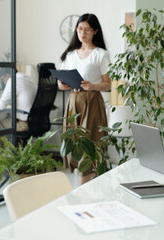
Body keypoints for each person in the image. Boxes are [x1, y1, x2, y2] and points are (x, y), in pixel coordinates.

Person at [58, 13, 111, 184]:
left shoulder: (101, 54)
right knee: (74, 143)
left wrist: (93, 86)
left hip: (92, 101)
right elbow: (61, 82)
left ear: (95, 31)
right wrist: (62, 84)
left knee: (91, 143)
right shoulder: (70, 55)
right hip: (73, 100)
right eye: (80, 29)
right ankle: (82, 186)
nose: (82, 33)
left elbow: (108, 84)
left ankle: (85, 186)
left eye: (87, 29)